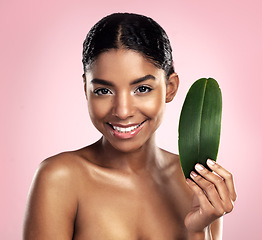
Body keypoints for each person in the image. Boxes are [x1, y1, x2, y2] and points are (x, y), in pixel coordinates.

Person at [23, 13, 237, 240]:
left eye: (142, 89)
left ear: (170, 87)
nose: (123, 111)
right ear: (86, 89)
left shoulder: (197, 182)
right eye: (104, 91)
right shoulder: (60, 179)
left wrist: (198, 231)